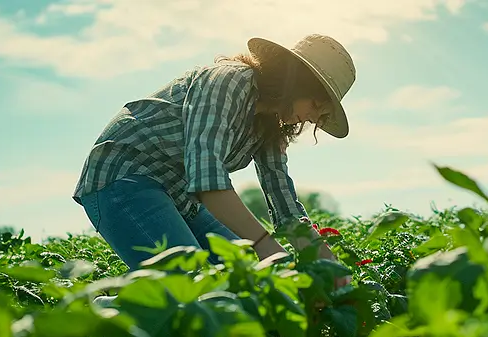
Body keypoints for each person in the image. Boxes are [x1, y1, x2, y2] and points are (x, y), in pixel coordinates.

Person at [71, 34, 355, 286]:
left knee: (252, 281)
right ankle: (109, 321)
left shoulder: (270, 125)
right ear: (296, 82)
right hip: (123, 178)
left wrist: (324, 259)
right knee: (196, 287)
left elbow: (285, 205)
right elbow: (207, 178)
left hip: (181, 197)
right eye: (315, 105)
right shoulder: (230, 80)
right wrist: (264, 244)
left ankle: (118, 306)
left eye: (320, 116)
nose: (311, 118)